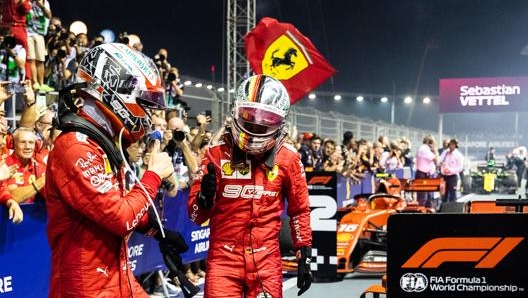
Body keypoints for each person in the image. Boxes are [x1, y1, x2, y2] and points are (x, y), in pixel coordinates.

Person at [44, 43, 186, 297]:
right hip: (86, 288)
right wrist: (153, 174)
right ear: (115, 90)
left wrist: (159, 232)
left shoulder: (100, 142)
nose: (150, 114)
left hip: (114, 276)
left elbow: (114, 205)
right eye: (145, 103)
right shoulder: (75, 147)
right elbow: (120, 217)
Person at [188, 74, 313, 297]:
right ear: (236, 111)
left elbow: (299, 210)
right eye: (249, 116)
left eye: (265, 120)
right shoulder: (216, 154)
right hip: (223, 261)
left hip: (266, 262)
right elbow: (195, 216)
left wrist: (304, 254)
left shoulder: (289, 158)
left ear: (280, 122)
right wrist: (203, 200)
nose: (255, 126)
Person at [414, 134, 438, 207]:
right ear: (430, 143)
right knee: (423, 198)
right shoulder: (424, 149)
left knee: (427, 198)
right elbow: (436, 159)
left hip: (425, 175)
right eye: (433, 143)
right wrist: (435, 151)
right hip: (423, 175)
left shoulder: (422, 149)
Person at [438, 138, 464, 206]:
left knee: (452, 194)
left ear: (456, 146)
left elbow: (460, 167)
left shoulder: (459, 155)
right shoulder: (445, 152)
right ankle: (443, 208)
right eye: (450, 145)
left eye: (453, 145)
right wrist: (440, 163)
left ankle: (452, 209)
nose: (451, 146)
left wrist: (451, 170)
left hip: (452, 177)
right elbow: (439, 160)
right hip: (444, 176)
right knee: (444, 194)